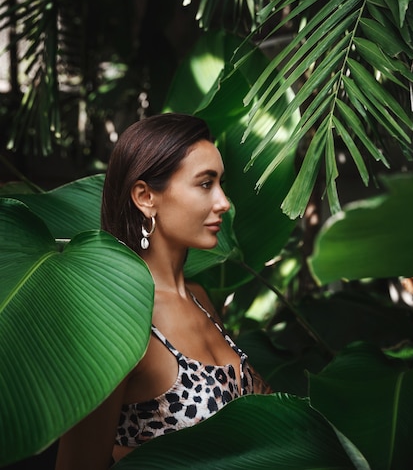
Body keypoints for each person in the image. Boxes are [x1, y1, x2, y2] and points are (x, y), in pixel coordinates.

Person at [55, 112, 271, 470]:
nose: (224, 202)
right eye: (205, 184)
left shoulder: (200, 299)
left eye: (221, 183)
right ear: (145, 197)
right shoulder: (116, 321)